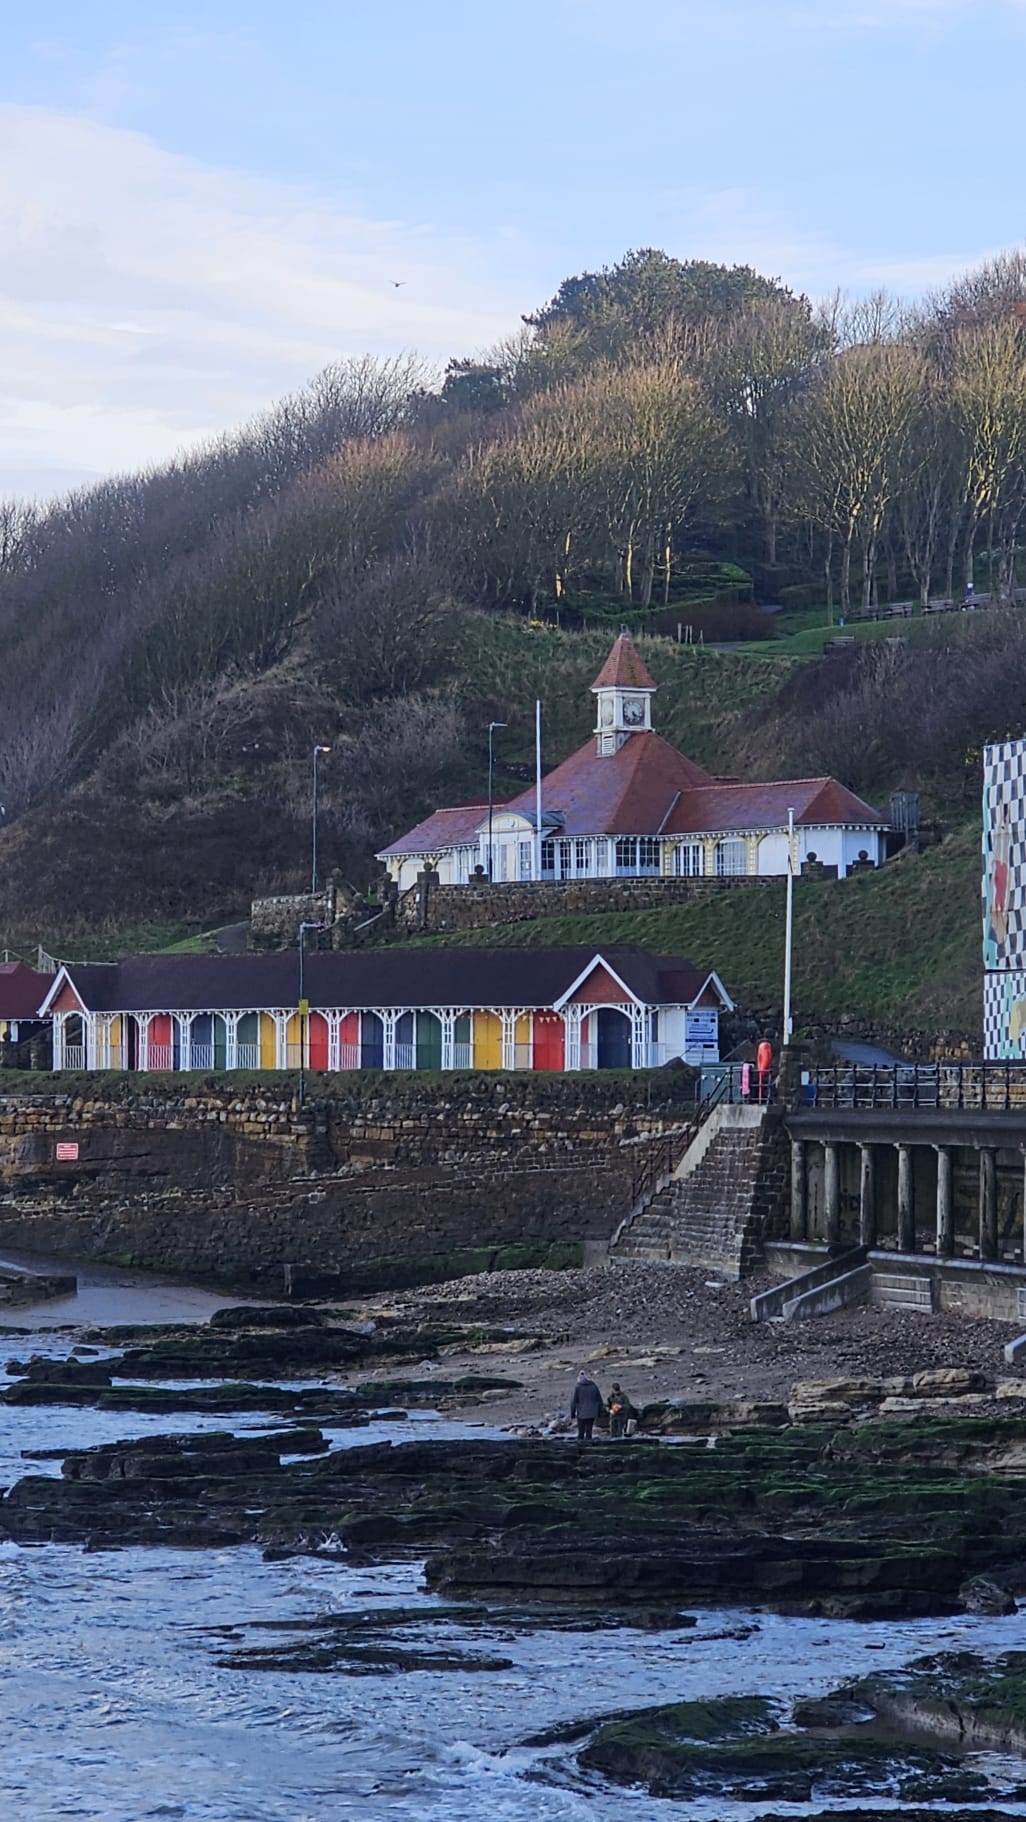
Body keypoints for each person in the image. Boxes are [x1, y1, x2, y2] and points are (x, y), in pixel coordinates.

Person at [570, 1370, 604, 1441]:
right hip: (592, 1413)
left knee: (581, 1432)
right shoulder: (594, 1386)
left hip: (581, 1414)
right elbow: (599, 1400)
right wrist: (600, 1412)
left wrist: (572, 1414)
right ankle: (589, 1444)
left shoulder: (578, 1387)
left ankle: (580, 1446)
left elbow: (574, 1402)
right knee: (589, 1431)